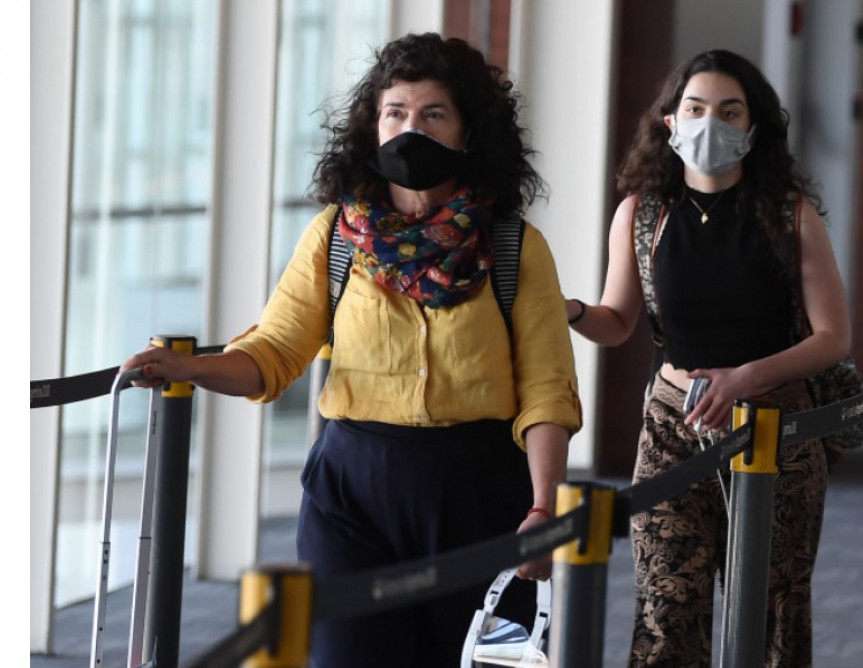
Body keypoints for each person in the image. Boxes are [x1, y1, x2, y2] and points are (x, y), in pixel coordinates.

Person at [122, 33, 581, 667]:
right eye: (395, 113)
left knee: (477, 660)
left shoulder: (512, 246)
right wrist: (190, 367)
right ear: (373, 126)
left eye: (433, 114)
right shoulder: (336, 237)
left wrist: (544, 507)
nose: (410, 130)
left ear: (470, 131)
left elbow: (547, 390)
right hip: (353, 493)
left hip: (481, 494)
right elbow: (275, 351)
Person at [567, 49, 851, 667]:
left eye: (729, 112)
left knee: (773, 613)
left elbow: (833, 337)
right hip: (673, 426)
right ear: (670, 122)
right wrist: (569, 311)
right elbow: (617, 322)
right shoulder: (642, 214)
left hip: (775, 428)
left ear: (752, 128)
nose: (710, 124)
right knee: (665, 606)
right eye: (695, 109)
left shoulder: (790, 215)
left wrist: (743, 379)